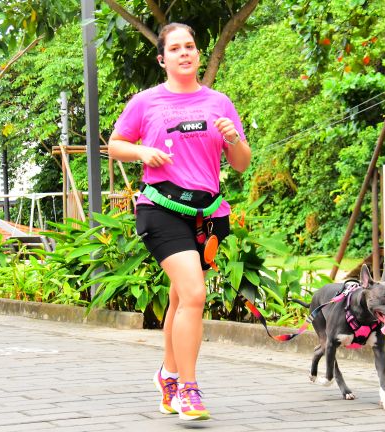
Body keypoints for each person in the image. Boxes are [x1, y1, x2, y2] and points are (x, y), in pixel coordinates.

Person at [108, 22, 251, 421]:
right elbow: (115, 144)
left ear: (198, 55)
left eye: (190, 46)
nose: (185, 53)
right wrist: (143, 153)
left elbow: (240, 164)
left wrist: (234, 139)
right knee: (194, 293)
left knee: (179, 297)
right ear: (162, 59)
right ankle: (188, 389)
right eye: (175, 48)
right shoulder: (145, 102)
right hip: (161, 209)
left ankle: (168, 374)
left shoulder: (219, 103)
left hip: (207, 216)